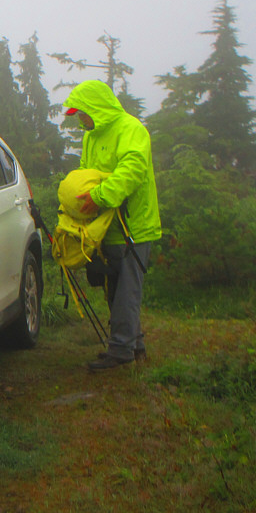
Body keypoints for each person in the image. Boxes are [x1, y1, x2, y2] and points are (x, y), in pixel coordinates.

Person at [63, 80, 162, 370]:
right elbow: (85, 174)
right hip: (107, 227)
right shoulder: (91, 136)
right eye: (77, 114)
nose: (80, 119)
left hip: (134, 227)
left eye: (82, 112)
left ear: (96, 108)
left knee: (127, 290)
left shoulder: (131, 130)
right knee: (115, 287)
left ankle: (120, 351)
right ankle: (134, 344)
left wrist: (98, 197)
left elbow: (131, 171)